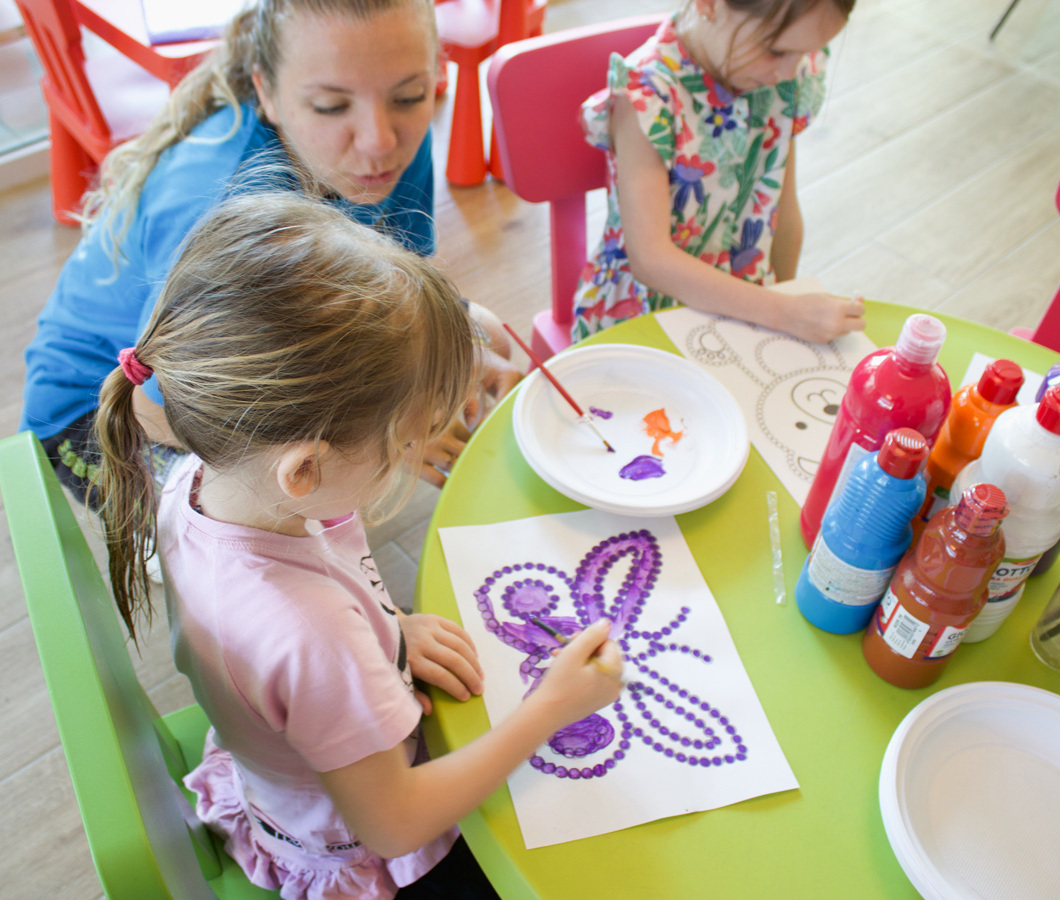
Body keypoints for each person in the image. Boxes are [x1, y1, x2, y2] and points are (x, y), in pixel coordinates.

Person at [93, 191, 624, 900]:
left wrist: (392, 630)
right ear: (305, 470)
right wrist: (549, 710)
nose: (413, 450)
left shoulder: (208, 471)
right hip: (363, 849)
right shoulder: (312, 636)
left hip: (295, 772)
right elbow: (395, 824)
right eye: (401, 440)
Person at [20, 0, 519, 500]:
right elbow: (168, 405)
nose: (379, 141)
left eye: (410, 96)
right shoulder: (219, 205)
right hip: (109, 410)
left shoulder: (387, 147)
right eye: (331, 106)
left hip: (258, 338)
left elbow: (405, 287)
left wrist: (454, 354)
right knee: (280, 498)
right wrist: (386, 433)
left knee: (482, 334)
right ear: (268, 93)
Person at [571, 0, 866, 344]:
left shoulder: (782, 78)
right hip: (643, 312)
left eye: (804, 53)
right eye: (775, 51)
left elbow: (783, 215)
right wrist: (784, 312)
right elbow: (650, 259)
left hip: (752, 307)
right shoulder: (648, 94)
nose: (789, 72)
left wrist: (791, 304)